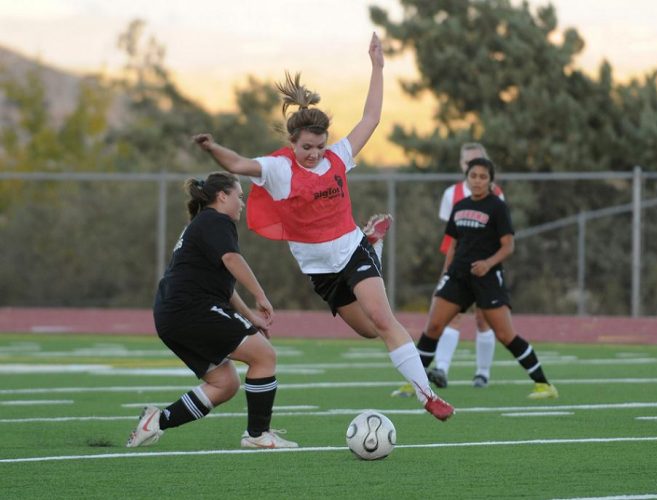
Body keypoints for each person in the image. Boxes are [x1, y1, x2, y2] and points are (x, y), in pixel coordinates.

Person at [192, 33, 454, 421]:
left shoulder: (338, 156)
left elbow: (371, 118)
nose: (315, 155)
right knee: (367, 331)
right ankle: (375, 244)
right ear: (292, 143)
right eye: (307, 148)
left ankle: (427, 394)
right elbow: (239, 165)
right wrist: (213, 148)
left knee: (384, 321)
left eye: (320, 146)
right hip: (321, 270)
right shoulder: (279, 168)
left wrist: (378, 66)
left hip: (351, 250)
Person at [126, 171, 298, 449]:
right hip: (191, 310)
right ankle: (257, 435)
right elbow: (232, 259)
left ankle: (156, 422)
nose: (242, 203)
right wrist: (260, 295)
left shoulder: (203, 223)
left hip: (174, 314)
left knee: (224, 384)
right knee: (264, 355)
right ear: (222, 196)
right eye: (239, 197)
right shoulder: (217, 220)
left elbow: (223, 286)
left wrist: (250, 315)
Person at [402, 158, 559, 400]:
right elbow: (453, 245)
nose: (477, 180)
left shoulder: (497, 207)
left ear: (490, 181)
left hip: (487, 279)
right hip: (458, 277)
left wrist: (488, 264)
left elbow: (508, 246)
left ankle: (544, 385)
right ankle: (415, 384)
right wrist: (445, 275)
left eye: (483, 177)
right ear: (467, 177)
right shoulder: (460, 205)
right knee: (433, 327)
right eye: (473, 175)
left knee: (506, 335)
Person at [392, 143, 502, 398]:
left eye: (477, 162)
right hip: (459, 266)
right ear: (462, 166)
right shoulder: (451, 194)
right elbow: (452, 238)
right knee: (450, 315)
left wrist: (490, 264)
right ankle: (441, 369)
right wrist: (448, 269)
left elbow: (499, 234)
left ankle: (482, 372)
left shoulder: (496, 195)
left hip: (484, 266)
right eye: (467, 164)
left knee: (483, 318)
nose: (471, 168)